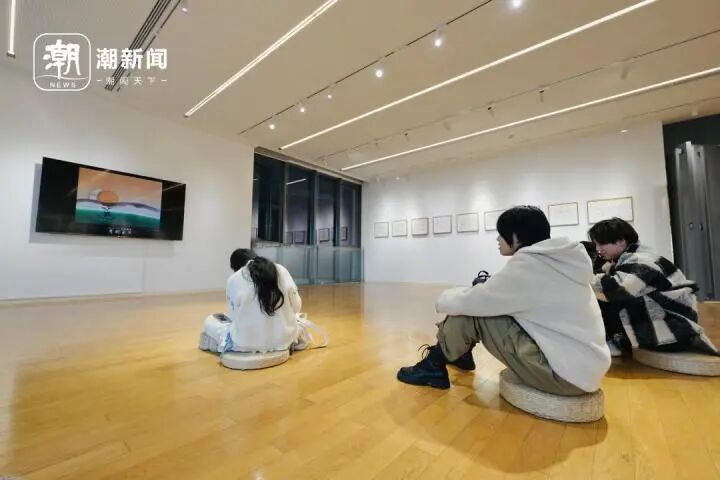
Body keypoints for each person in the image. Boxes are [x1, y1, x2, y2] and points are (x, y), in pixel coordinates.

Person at [397, 206, 611, 394]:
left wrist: (446, 296)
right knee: (481, 303)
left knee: (471, 312)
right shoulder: (559, 261)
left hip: (563, 377)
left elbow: (475, 302)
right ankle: (459, 355)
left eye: (501, 234)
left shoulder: (531, 266)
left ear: (516, 237)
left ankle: (433, 366)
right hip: (582, 369)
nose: (497, 240)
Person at [588, 218, 718, 356]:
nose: (598, 249)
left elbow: (619, 289)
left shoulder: (641, 260)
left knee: (607, 299)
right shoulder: (624, 260)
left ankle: (616, 342)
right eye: (596, 244)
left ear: (621, 241)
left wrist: (584, 276)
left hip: (674, 330)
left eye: (601, 243)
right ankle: (617, 341)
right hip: (670, 327)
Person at [199, 248, 302, 353]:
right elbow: (297, 307)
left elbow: (233, 317)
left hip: (245, 344)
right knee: (298, 319)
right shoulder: (281, 270)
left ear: (234, 267)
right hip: (284, 340)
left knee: (210, 321)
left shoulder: (233, 279)